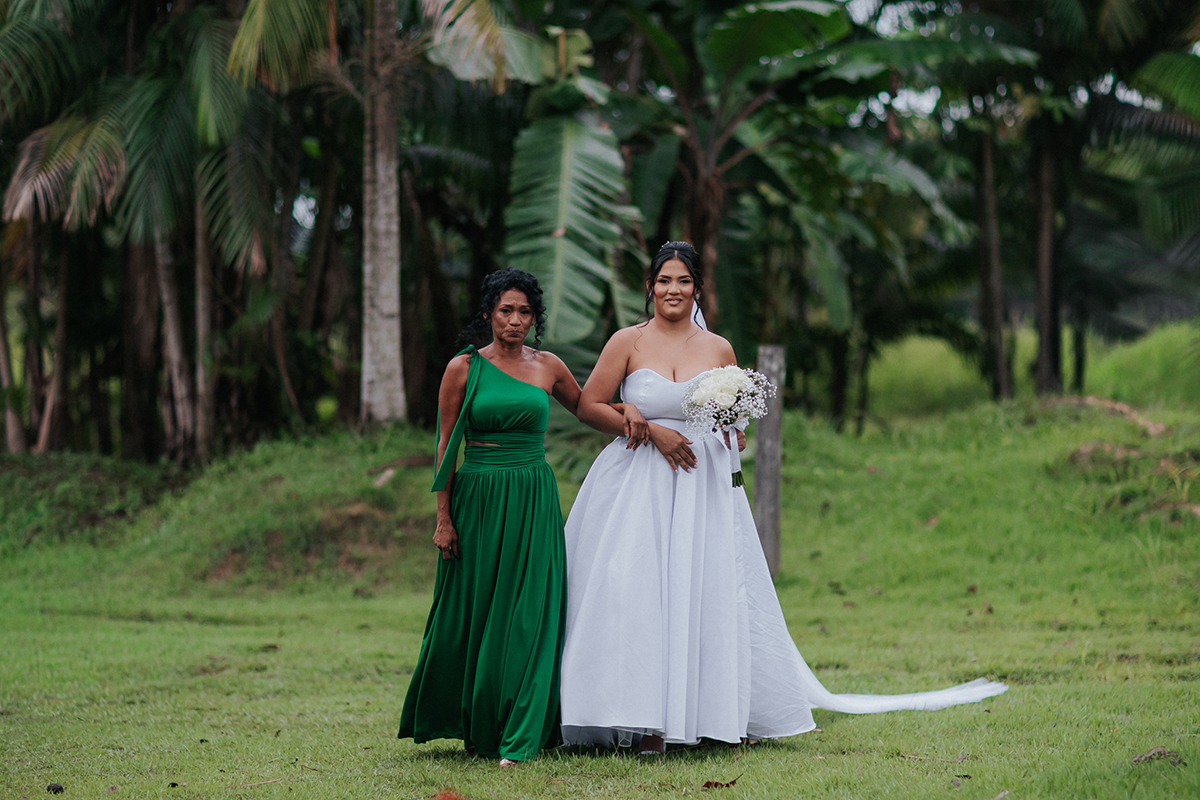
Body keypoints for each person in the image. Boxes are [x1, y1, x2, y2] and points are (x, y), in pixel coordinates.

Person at [559, 242, 1007, 754]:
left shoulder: (719, 349)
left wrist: (732, 431)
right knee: (637, 589)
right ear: (649, 288)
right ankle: (644, 722)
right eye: (664, 281)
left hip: (700, 485)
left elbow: (732, 417)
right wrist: (639, 425)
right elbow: (588, 405)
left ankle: (706, 713)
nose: (673, 290)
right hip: (639, 482)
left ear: (698, 289)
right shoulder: (627, 341)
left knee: (702, 589)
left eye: (683, 281)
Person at [397, 268, 646, 766]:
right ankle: (479, 721)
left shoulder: (548, 365)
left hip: (533, 498)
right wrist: (443, 516)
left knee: (531, 612)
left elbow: (586, 409)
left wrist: (635, 415)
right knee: (476, 612)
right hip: (479, 499)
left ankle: (521, 735)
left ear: (536, 318)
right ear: (489, 313)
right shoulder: (462, 369)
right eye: (506, 311)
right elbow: (447, 444)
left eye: (525, 312)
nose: (515, 321)